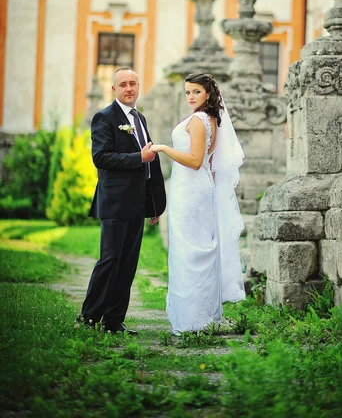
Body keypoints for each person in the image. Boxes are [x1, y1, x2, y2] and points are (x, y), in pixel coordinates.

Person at [150, 72, 245, 334]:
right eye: (187, 92)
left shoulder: (199, 120)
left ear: (208, 94)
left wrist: (162, 149)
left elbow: (194, 161)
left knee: (190, 250)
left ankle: (194, 319)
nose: (191, 97)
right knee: (193, 248)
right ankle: (199, 315)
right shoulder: (211, 118)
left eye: (196, 92)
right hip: (195, 188)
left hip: (192, 189)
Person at [77, 67, 166, 334]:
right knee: (110, 260)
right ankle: (88, 318)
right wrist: (138, 158)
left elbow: (149, 164)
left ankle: (114, 322)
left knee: (128, 264)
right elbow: (101, 158)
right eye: (123, 84)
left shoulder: (140, 118)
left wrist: (153, 202)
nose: (129, 88)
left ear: (139, 87)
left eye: (133, 84)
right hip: (115, 202)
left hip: (137, 203)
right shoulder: (104, 117)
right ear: (114, 89)